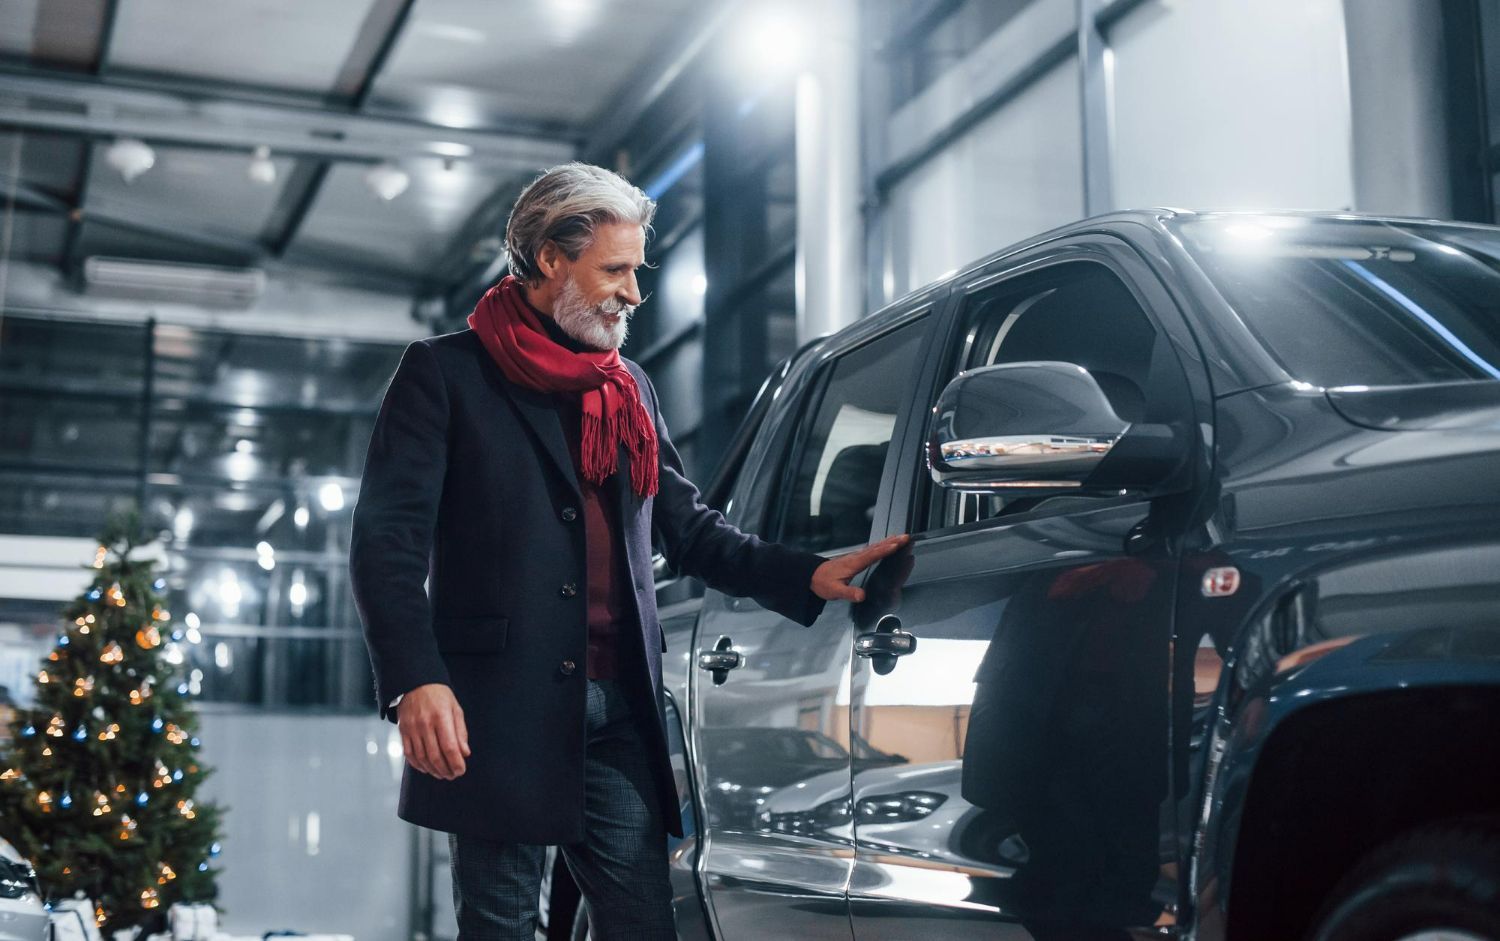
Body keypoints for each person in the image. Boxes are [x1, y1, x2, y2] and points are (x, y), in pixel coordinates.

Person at [349, 161, 907, 939]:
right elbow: (386, 544)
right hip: (498, 707)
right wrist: (415, 680)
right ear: (551, 259)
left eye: (636, 272)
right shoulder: (445, 375)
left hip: (620, 705)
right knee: (504, 924)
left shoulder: (627, 388)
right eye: (615, 269)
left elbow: (689, 528)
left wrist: (805, 573)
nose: (634, 293)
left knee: (643, 922)